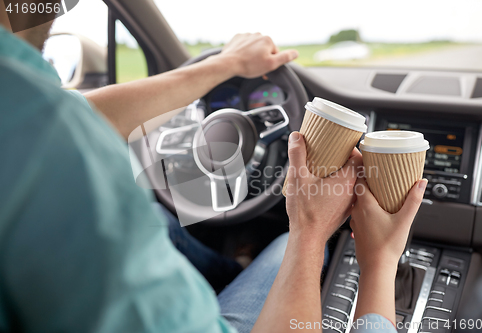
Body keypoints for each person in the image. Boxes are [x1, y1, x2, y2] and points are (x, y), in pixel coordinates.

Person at [0, 1, 426, 332]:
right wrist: (355, 250)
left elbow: (83, 113)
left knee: (154, 216)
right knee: (282, 250)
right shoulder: (47, 135)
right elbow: (62, 120)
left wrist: (227, 65)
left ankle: (235, 269)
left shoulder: (26, 110)